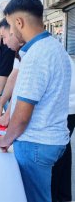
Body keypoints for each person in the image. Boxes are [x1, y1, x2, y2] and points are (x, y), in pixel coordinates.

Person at [0, 0, 71, 202]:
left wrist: (6, 139)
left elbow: (22, 115)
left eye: (11, 27)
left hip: (35, 144)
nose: (11, 32)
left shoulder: (36, 55)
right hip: (53, 140)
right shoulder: (56, 48)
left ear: (19, 22)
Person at [51, 55, 75, 202]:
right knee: (64, 149)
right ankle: (63, 196)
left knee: (57, 153)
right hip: (68, 107)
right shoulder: (56, 49)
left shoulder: (40, 49)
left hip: (64, 108)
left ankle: (57, 196)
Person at [0, 18, 24, 126]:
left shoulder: (32, 51)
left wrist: (8, 114)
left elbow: (24, 92)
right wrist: (1, 104)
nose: (4, 42)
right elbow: (13, 78)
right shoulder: (21, 51)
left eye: (4, 37)